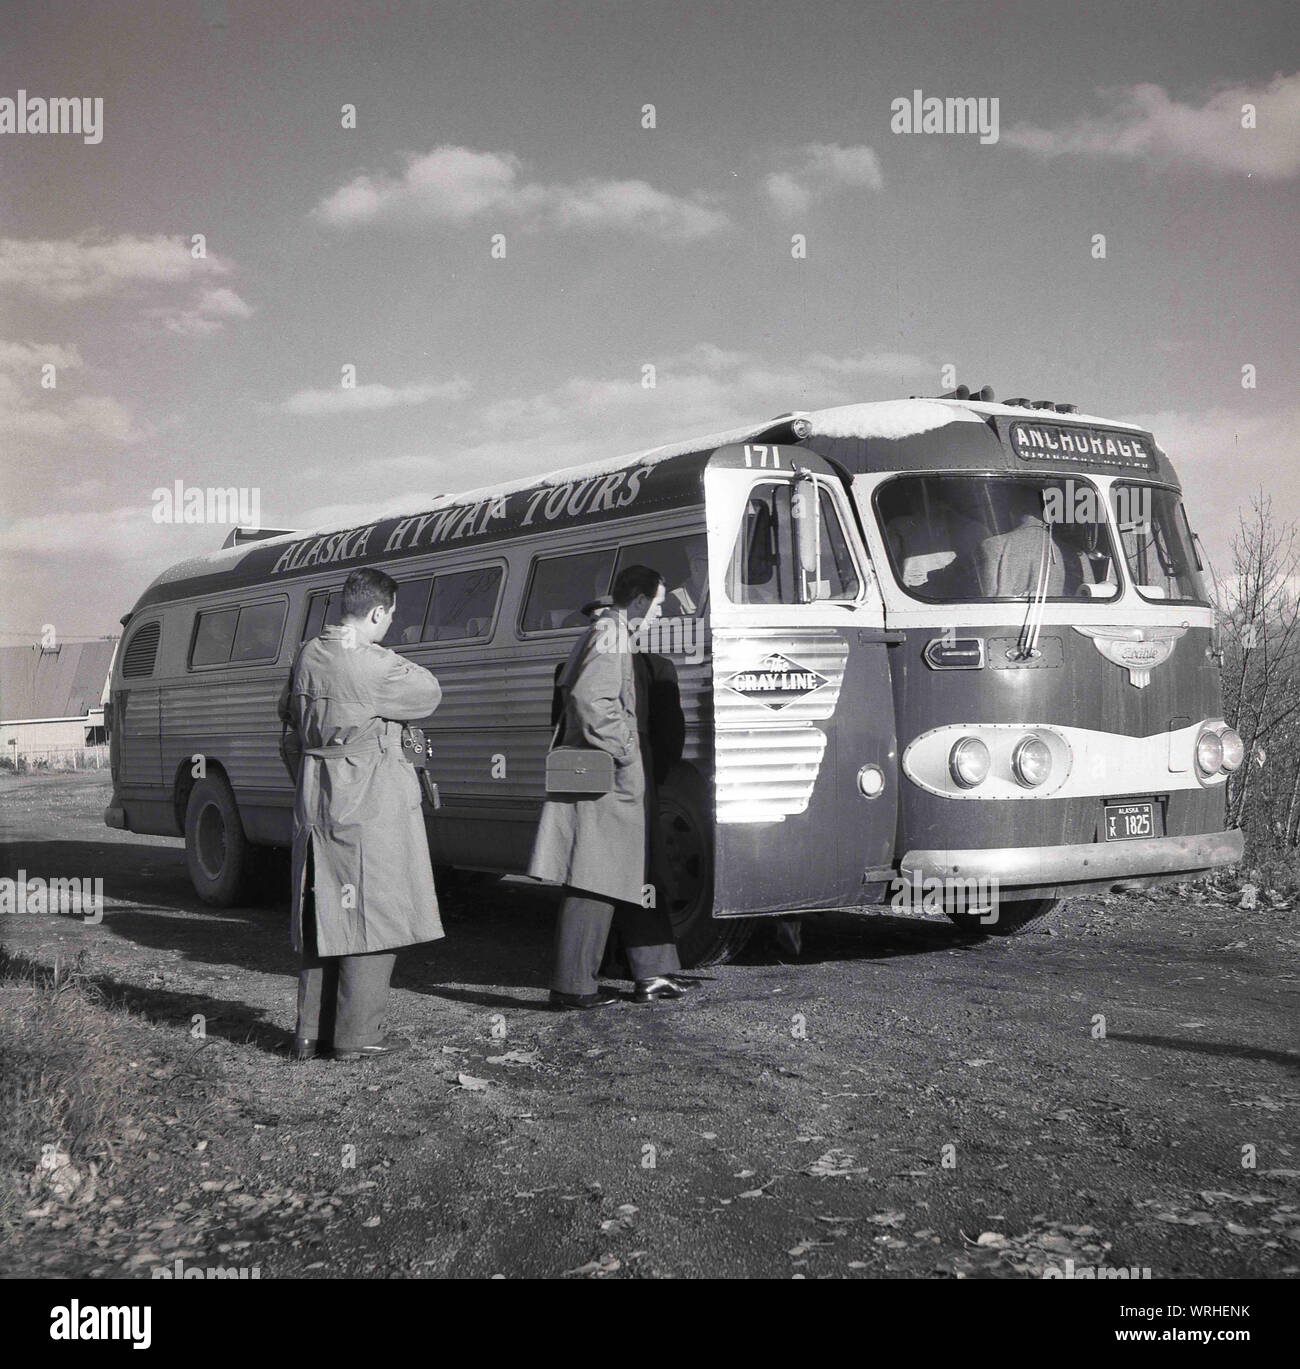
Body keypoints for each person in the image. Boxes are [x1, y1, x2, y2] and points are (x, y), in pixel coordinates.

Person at [278, 566, 443, 1061]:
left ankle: (310, 1033)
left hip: (317, 799)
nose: (390, 624)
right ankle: (357, 1036)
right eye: (389, 616)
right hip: (368, 801)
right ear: (377, 611)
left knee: (321, 912)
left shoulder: (308, 654)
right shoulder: (375, 664)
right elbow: (430, 692)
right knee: (374, 912)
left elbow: (287, 714)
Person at [528, 565, 693, 1009]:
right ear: (638, 600)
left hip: (604, 772)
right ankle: (572, 987)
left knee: (627, 870)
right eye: (658, 603)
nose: (660, 612)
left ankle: (646, 974)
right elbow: (588, 700)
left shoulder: (608, 631)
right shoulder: (611, 634)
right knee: (594, 877)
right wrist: (626, 750)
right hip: (609, 773)